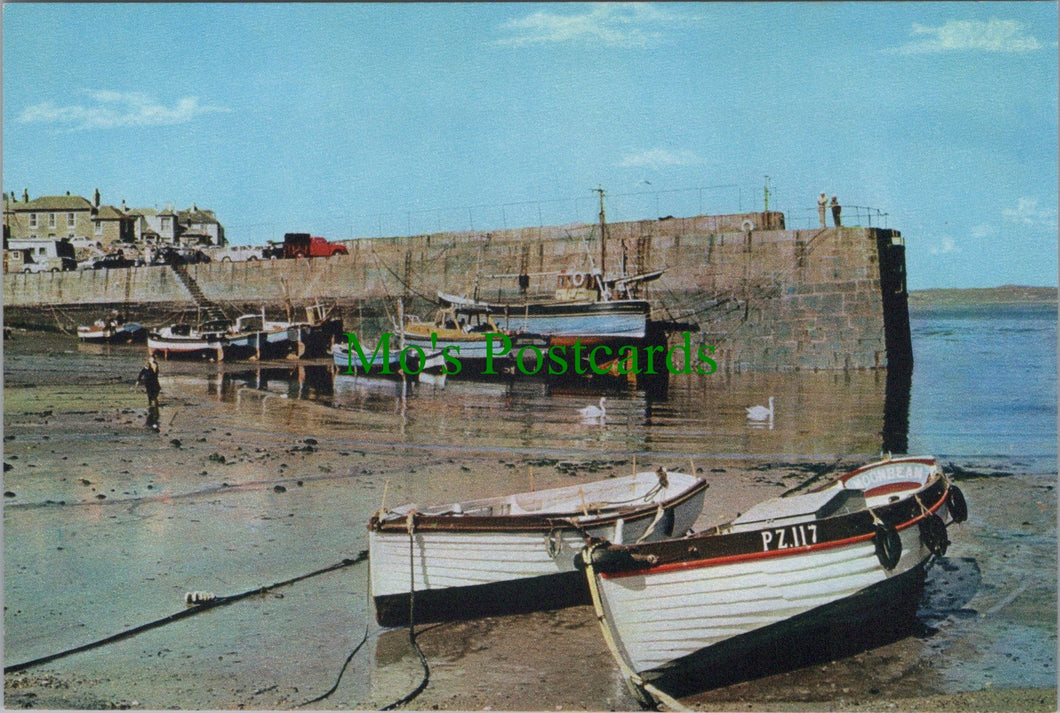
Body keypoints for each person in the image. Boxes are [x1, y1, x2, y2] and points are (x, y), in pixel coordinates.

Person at [136, 357, 161, 430]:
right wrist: (138, 381)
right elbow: (141, 373)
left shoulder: (155, 365)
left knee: (155, 394)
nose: (152, 361)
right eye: (151, 360)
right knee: (150, 395)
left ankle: (155, 408)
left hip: (154, 383)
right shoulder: (147, 367)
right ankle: (151, 407)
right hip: (148, 383)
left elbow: (155, 374)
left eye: (153, 360)